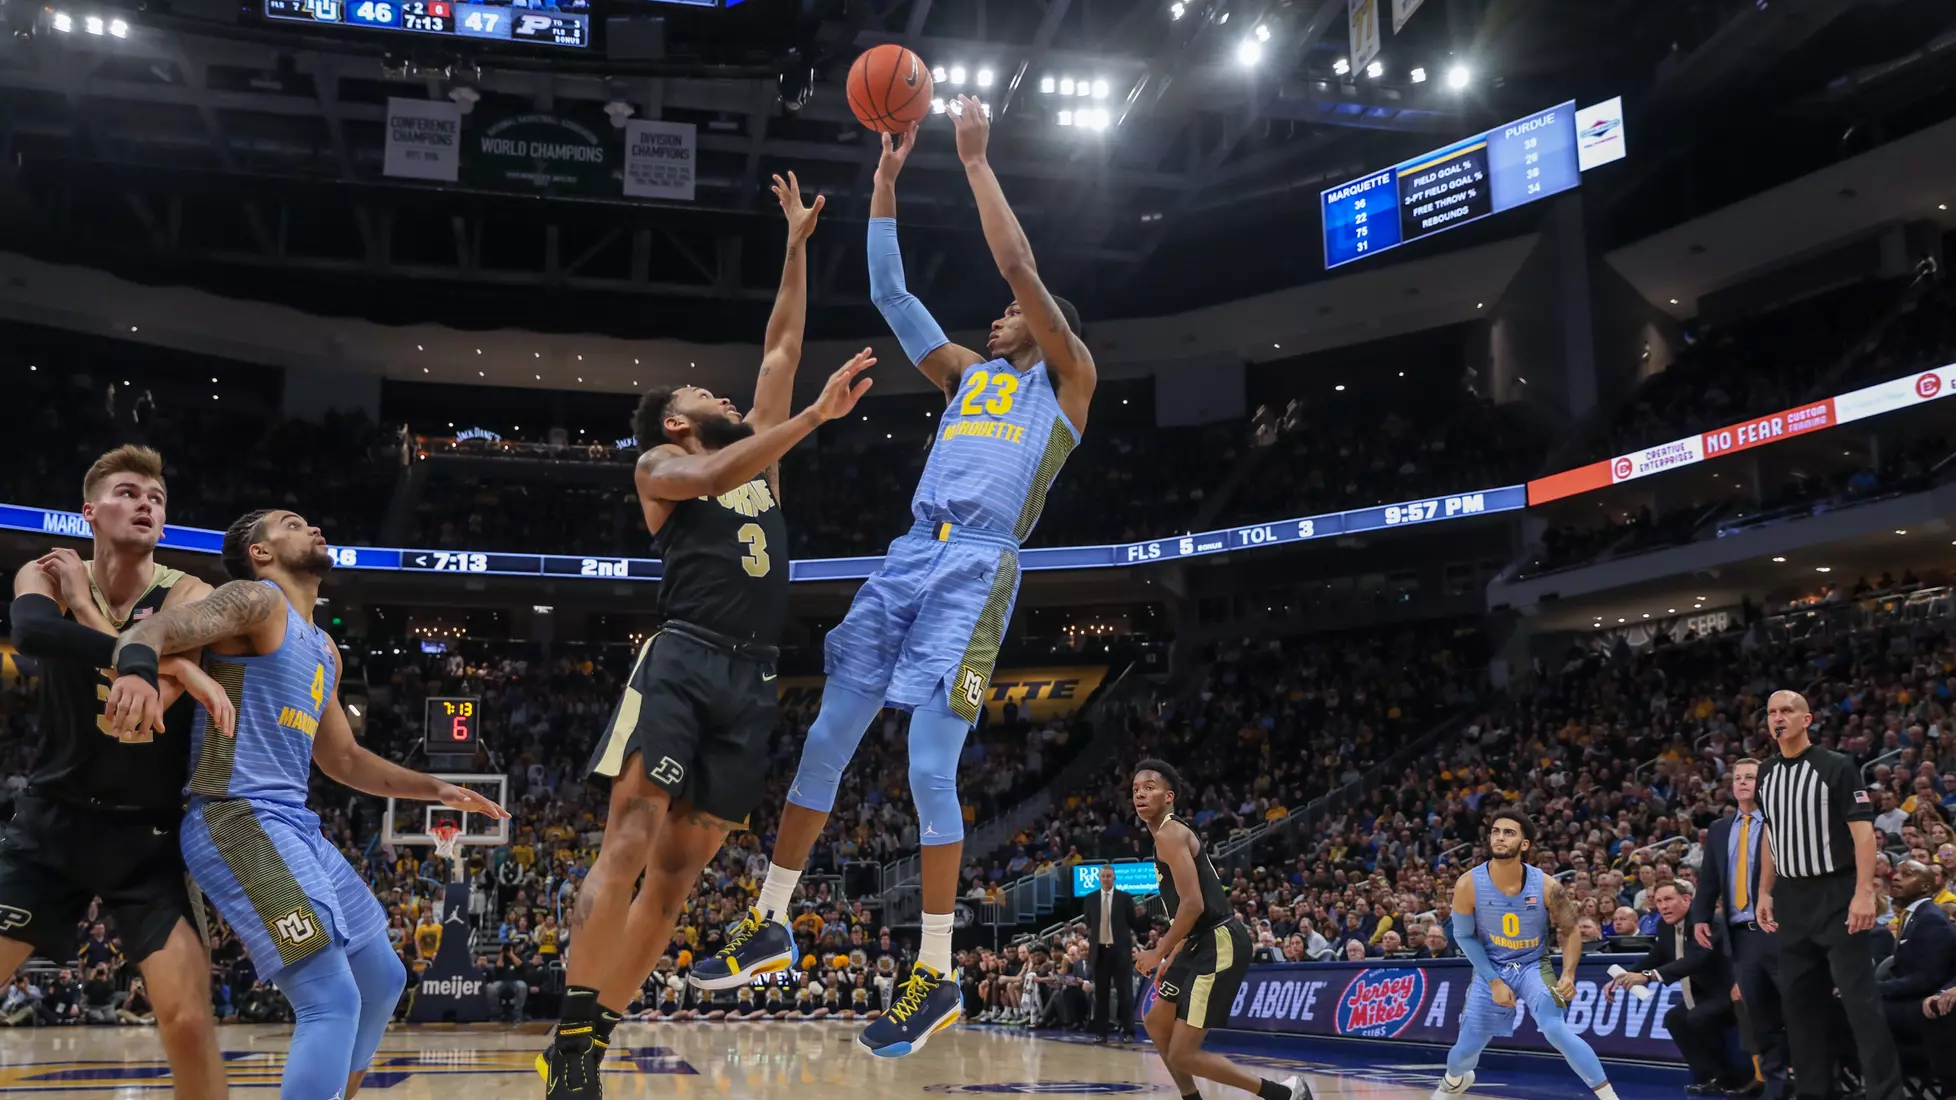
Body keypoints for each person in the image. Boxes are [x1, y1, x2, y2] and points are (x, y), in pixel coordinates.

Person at [700, 94, 1098, 1061]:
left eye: (1013, 317)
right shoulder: (968, 376)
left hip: (978, 565)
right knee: (828, 736)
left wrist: (972, 163)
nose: (1000, 316)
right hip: (911, 552)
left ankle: (938, 973)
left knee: (928, 763)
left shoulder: (1071, 378)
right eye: (1002, 316)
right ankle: (772, 919)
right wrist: (884, 182)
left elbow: (1018, 267)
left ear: (1043, 330)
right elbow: (891, 296)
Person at [542, 175, 878, 1096]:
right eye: (701, 391)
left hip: (756, 678)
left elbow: (781, 343)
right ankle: (571, 1034)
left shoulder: (757, 459)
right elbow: (745, 441)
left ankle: (596, 1034)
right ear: (680, 422)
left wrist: (797, 246)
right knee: (630, 838)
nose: (724, 391)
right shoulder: (660, 465)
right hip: (683, 658)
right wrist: (813, 418)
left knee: (680, 879)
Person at [102, 508, 509, 1100]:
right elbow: (152, 631)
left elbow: (343, 761)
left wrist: (435, 788)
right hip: (235, 815)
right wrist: (137, 671)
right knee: (330, 997)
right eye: (292, 523)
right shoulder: (253, 600)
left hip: (294, 824)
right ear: (260, 552)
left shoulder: (323, 646)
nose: (314, 528)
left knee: (382, 979)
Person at [2, 445, 229, 1096]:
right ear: (89, 513)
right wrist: (160, 662)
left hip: (147, 837)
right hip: (53, 822)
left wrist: (96, 615)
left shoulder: (190, 592)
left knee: (188, 1020)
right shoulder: (45, 572)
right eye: (128, 493)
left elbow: (143, 695)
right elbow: (35, 635)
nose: (146, 505)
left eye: (156, 500)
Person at [1754, 690, 1902, 1100]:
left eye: (1787, 711)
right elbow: (1772, 834)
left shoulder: (1836, 766)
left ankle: (1887, 1093)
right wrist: (1765, 891)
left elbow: (1863, 834)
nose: (1778, 718)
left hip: (1837, 892)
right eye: (1771, 712)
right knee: (1800, 1012)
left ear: (1808, 719)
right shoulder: (1765, 772)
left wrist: (1864, 893)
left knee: (1861, 1005)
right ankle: (1816, 1093)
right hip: (1790, 897)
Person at [1131, 761, 1306, 1100]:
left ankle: (1284, 1094)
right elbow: (1190, 911)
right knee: (1155, 1021)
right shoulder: (1165, 836)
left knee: (1184, 1052)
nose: (1140, 792)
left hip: (1219, 941)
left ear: (1169, 797)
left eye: (1149, 786)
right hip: (1197, 941)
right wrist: (1174, 956)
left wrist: (1159, 951)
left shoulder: (1169, 833)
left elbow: (1194, 905)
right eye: (1136, 788)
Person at [1433, 808, 1619, 1100]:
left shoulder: (1547, 885)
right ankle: (1454, 1080)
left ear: (1524, 844)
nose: (1499, 837)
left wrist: (1569, 973)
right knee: (1463, 1054)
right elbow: (1463, 936)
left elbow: (1570, 931)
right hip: (1491, 967)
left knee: (1555, 1028)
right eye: (1496, 831)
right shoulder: (1468, 883)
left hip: (1534, 964)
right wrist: (1494, 980)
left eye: (1509, 832)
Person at [1691, 757, 1786, 1099]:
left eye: (1751, 776)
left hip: (1778, 928)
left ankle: (1816, 1082)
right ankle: (1776, 1085)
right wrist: (1700, 916)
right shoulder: (1720, 828)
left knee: (1795, 1007)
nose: (1744, 782)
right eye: (1738, 777)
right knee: (1759, 1014)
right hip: (1741, 935)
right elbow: (1710, 878)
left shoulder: (1780, 820)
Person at [1607, 881, 1747, 1093]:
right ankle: (1708, 1075)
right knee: (1674, 1018)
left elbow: (1695, 959)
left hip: (1728, 991)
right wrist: (1621, 976)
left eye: (1668, 899)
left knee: (1698, 1017)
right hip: (1701, 993)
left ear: (1686, 899)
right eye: (1659, 901)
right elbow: (1656, 956)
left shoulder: (1709, 923)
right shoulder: (1664, 926)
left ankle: (1732, 1078)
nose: (1663, 906)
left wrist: (1647, 977)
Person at [1876, 860, 1956, 1041]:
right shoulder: (1915, 915)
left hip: (1925, 1001)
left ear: (1926, 886)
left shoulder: (1931, 919)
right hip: (1911, 994)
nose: (1895, 877)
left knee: (1855, 1007)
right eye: (1897, 872)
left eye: (1907, 874)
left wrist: (1872, 988)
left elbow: (1927, 978)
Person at [1082, 864, 1140, 1042]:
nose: (1106, 879)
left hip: (1120, 952)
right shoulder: (1090, 898)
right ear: (1099, 878)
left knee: (1124, 993)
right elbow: (1089, 922)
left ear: (1114, 878)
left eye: (1109, 876)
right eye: (1103, 876)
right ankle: (1102, 1033)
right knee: (1101, 995)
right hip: (1100, 951)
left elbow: (1132, 921)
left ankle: (1128, 1032)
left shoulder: (1124, 898)